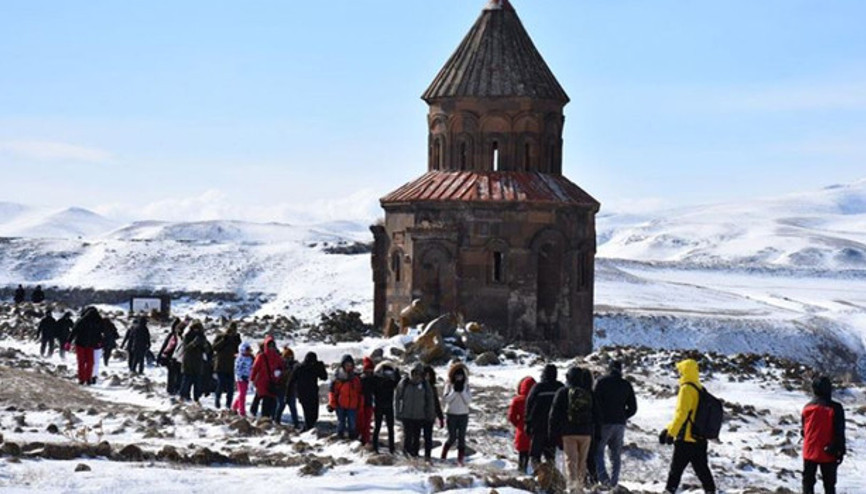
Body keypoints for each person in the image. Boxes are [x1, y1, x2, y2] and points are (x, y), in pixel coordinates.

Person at [660, 359, 716, 494]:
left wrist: (670, 433)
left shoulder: (686, 389)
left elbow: (682, 415)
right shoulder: (700, 388)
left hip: (686, 439)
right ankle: (711, 491)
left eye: (680, 371)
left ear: (684, 371)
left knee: (676, 470)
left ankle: (669, 491)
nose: (679, 373)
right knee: (702, 469)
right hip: (700, 438)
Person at [550, 367, 595, 494]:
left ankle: (572, 487)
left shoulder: (562, 392)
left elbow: (554, 414)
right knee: (582, 460)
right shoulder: (589, 392)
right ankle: (580, 487)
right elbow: (596, 413)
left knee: (571, 460)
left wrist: (553, 433)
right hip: (586, 432)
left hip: (569, 432)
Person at [594, 360, 637, 487]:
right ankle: (614, 483)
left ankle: (604, 480)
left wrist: (599, 418)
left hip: (604, 423)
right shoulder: (626, 384)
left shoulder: (601, 382)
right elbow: (633, 408)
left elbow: (595, 402)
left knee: (599, 452)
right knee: (615, 455)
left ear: (609, 368)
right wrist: (624, 416)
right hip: (620, 424)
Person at [802, 376, 846, 494]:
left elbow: (803, 431)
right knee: (829, 484)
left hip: (809, 451)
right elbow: (839, 431)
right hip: (828, 451)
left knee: (808, 482)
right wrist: (840, 450)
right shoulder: (835, 408)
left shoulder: (807, 407)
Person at [526, 364, 564, 466]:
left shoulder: (538, 387)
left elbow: (529, 405)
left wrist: (528, 423)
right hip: (554, 428)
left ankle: (539, 476)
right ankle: (550, 477)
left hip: (538, 427)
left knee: (535, 456)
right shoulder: (560, 387)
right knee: (550, 456)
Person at [396, 363, 435, 458]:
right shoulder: (404, 383)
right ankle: (406, 456)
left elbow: (430, 400)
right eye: (415, 373)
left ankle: (415, 456)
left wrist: (430, 415)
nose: (416, 376)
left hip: (419, 415)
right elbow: (397, 398)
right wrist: (397, 412)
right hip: (406, 415)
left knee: (416, 437)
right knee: (407, 436)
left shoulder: (425, 385)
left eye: (419, 374)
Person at [441, 361, 471, 465]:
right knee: (452, 437)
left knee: (462, 437)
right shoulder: (449, 385)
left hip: (463, 414)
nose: (459, 378)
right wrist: (454, 391)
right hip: (451, 414)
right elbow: (447, 399)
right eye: (457, 376)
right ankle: (443, 455)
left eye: (461, 376)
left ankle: (460, 460)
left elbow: (468, 401)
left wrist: (462, 391)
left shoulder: (466, 386)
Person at [290, 351, 328, 431]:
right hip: (303, 394)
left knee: (314, 415)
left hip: (312, 393)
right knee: (308, 415)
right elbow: (291, 381)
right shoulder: (299, 368)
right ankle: (308, 431)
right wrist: (288, 395)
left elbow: (324, 377)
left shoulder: (314, 367)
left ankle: (308, 429)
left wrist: (321, 367)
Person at [328, 354, 362, 440]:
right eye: (347, 365)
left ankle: (352, 439)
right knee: (341, 423)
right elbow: (333, 392)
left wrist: (360, 404)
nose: (349, 367)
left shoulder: (356, 378)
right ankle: (340, 439)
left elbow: (360, 392)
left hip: (353, 405)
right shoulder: (338, 378)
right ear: (343, 365)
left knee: (352, 423)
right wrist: (332, 403)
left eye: (350, 365)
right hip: (341, 405)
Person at [250, 336, 285, 419]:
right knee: (268, 401)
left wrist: (252, 379)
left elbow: (255, 368)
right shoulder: (276, 357)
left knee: (264, 399)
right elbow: (255, 369)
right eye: (270, 345)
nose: (272, 347)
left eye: (272, 345)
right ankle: (265, 419)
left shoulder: (262, 356)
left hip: (266, 383)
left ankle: (260, 416)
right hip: (269, 383)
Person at [67, 307, 103, 385]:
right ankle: (88, 378)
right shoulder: (97, 321)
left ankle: (82, 379)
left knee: (81, 362)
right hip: (90, 345)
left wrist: (68, 342)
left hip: (80, 343)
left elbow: (74, 331)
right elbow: (99, 334)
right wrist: (99, 342)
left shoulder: (81, 320)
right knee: (90, 362)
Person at [508, 376, 536, 474]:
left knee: (522, 454)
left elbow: (511, 416)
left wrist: (518, 424)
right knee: (534, 456)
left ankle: (521, 471)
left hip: (522, 430)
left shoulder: (517, 400)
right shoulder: (536, 399)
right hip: (535, 431)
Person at [372, 360, 400, 454]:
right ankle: (378, 448)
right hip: (382, 406)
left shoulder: (385, 380)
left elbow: (398, 382)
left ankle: (389, 449)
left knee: (388, 428)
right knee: (380, 428)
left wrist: (396, 371)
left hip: (384, 406)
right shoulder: (377, 380)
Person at [212, 322, 241, 409]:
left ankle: (228, 404)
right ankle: (217, 400)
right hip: (220, 365)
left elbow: (238, 351)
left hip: (231, 366)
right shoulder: (221, 337)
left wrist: (237, 340)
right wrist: (224, 339)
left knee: (230, 388)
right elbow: (214, 347)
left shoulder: (235, 339)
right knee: (220, 385)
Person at [179, 321, 209, 402]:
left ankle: (196, 398)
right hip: (188, 361)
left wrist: (204, 344)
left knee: (197, 382)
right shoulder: (187, 336)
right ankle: (183, 396)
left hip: (198, 362)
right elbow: (186, 348)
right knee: (186, 380)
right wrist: (194, 343)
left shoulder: (202, 337)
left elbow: (207, 349)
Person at [157, 319, 185, 395]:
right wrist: (162, 356)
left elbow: (166, 346)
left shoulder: (177, 336)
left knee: (174, 375)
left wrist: (161, 355)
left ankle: (173, 389)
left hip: (175, 358)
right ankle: (173, 390)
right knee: (175, 374)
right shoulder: (176, 336)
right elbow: (167, 346)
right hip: (174, 358)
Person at [275, 346, 300, 426]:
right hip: (282, 388)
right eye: (287, 357)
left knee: (292, 406)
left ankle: (296, 423)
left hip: (291, 388)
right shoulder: (280, 365)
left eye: (291, 357)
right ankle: (277, 421)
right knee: (281, 405)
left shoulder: (295, 365)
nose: (289, 358)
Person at [232, 342, 254, 416]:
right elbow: (237, 369)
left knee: (242, 394)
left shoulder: (250, 357)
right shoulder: (240, 358)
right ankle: (242, 411)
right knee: (242, 395)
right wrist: (241, 377)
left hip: (247, 378)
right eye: (247, 350)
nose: (248, 351)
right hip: (241, 379)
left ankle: (234, 407)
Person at [357, 357, 376, 445]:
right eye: (368, 369)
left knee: (367, 423)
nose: (369, 371)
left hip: (368, 403)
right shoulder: (361, 379)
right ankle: (362, 439)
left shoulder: (372, 379)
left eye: (371, 370)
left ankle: (366, 439)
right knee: (362, 422)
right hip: (361, 403)